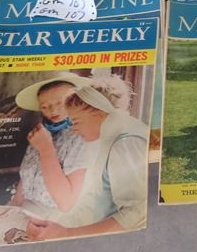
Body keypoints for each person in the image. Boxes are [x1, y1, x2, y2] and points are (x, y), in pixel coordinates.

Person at [26, 85, 148, 240]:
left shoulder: (125, 142)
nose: (74, 129)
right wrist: (56, 225)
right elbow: (94, 201)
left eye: (76, 122)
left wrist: (66, 234)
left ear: (99, 112)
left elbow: (136, 214)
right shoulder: (106, 139)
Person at [9, 76, 92, 219]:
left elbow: (66, 204)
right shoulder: (42, 133)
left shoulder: (84, 137)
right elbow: (26, 179)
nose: (53, 110)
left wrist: (45, 149)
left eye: (60, 102)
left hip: (56, 220)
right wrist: (10, 209)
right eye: (45, 106)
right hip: (25, 211)